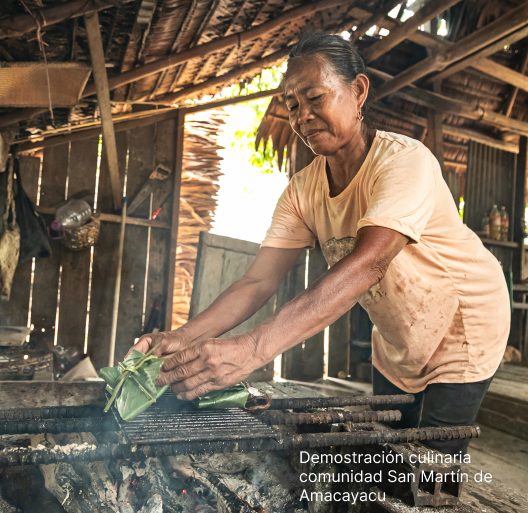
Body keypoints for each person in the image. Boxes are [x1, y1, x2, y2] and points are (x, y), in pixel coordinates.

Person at [131, 31, 510, 455]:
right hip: (401, 336)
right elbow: (258, 281)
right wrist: (184, 336)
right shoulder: (303, 190)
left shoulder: (405, 162)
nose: (303, 116)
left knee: (429, 464)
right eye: (293, 106)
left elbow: (368, 266)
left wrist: (252, 350)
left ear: (358, 91)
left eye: (315, 98)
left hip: (465, 322)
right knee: (388, 453)